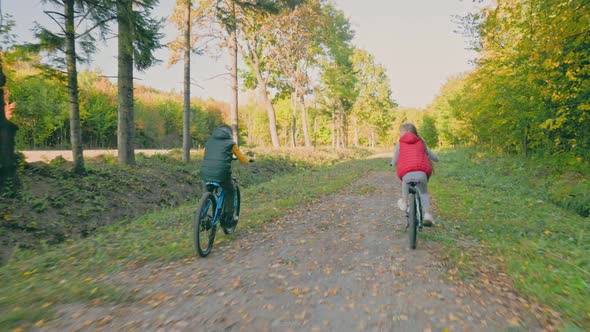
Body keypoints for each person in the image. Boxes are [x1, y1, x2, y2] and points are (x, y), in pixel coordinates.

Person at [200, 124, 252, 226]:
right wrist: (249, 160)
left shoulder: (209, 142)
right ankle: (229, 217)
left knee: (207, 189)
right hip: (221, 173)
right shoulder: (230, 143)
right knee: (230, 190)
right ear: (230, 133)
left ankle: (203, 216)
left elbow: (204, 155)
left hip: (206, 171)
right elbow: (242, 158)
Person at [391, 122, 439, 226]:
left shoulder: (400, 143)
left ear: (404, 132)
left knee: (406, 181)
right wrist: (437, 159)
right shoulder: (421, 142)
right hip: (422, 174)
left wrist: (392, 164)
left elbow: (395, 159)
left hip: (407, 174)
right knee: (423, 193)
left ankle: (404, 202)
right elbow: (432, 156)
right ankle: (427, 215)